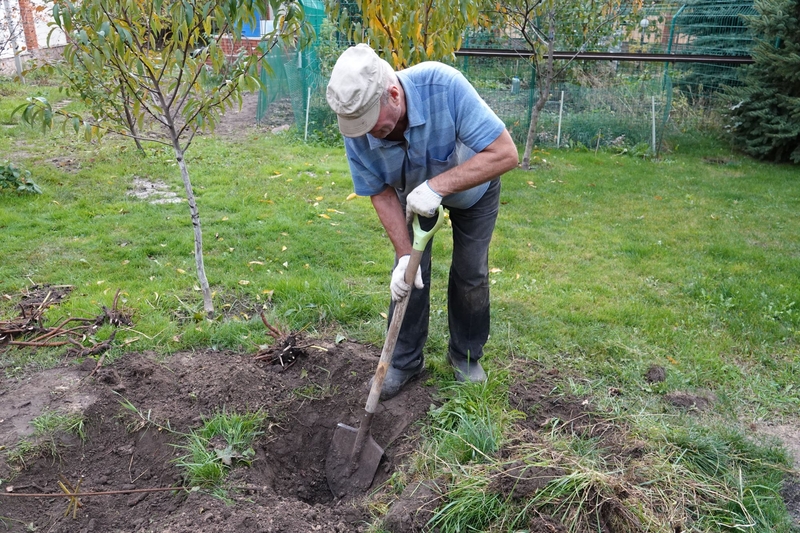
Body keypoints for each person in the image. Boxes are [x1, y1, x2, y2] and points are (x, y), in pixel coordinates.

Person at [326, 44, 519, 400]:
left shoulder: (444, 86)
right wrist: (403, 256)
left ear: (394, 95)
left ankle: (465, 356)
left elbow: (506, 153)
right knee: (411, 277)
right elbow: (378, 189)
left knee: (471, 271)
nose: (367, 134)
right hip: (412, 197)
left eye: (373, 125)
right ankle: (403, 361)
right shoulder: (357, 126)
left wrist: (437, 186)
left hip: (474, 190)